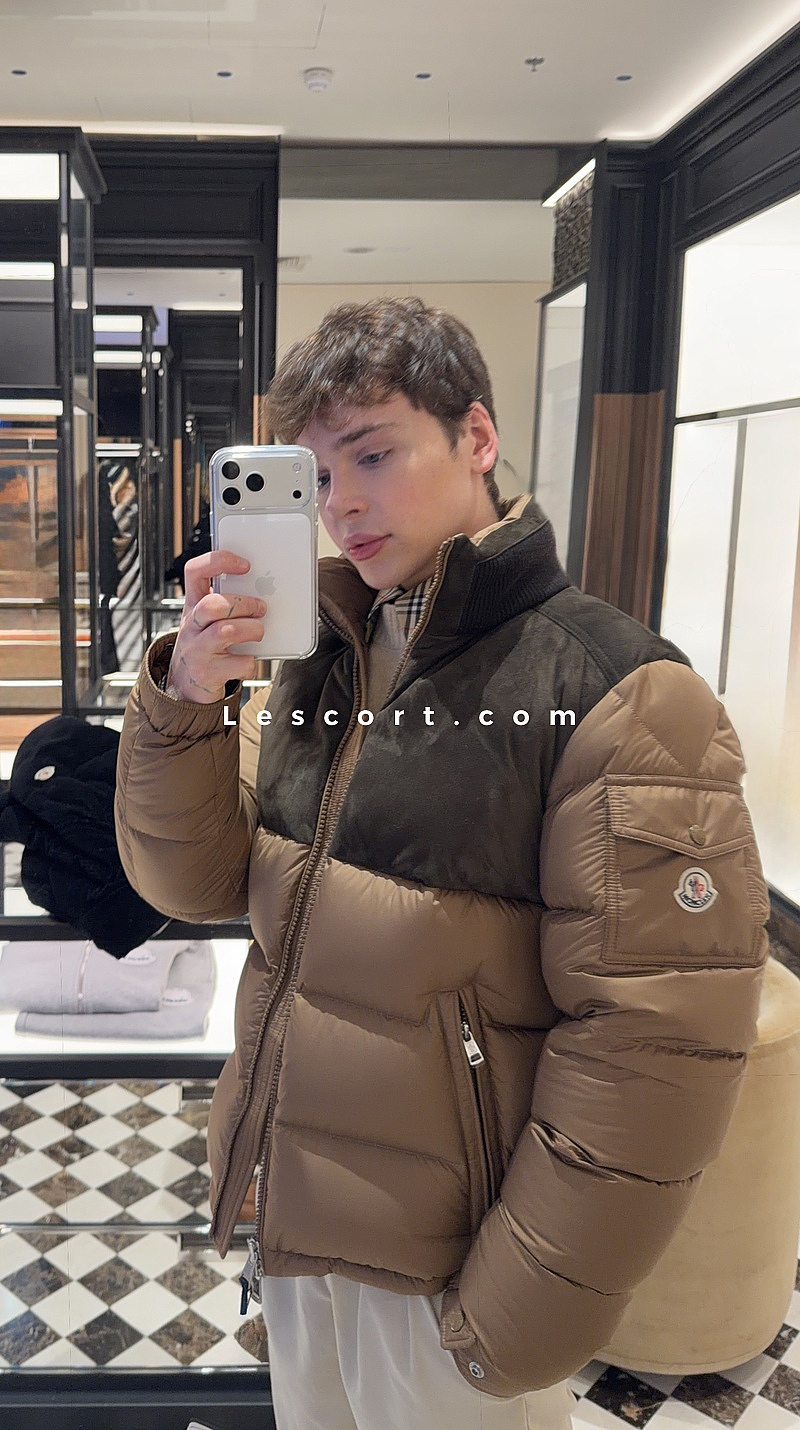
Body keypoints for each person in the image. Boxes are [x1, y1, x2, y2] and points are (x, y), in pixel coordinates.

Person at [115, 297, 770, 1430]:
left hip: (453, 1273)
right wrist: (186, 697)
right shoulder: (323, 658)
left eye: (372, 454)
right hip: (299, 1219)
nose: (342, 503)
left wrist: (519, 1306)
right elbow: (194, 882)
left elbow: (654, 1042)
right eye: (318, 475)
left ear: (476, 436)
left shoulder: (617, 689)